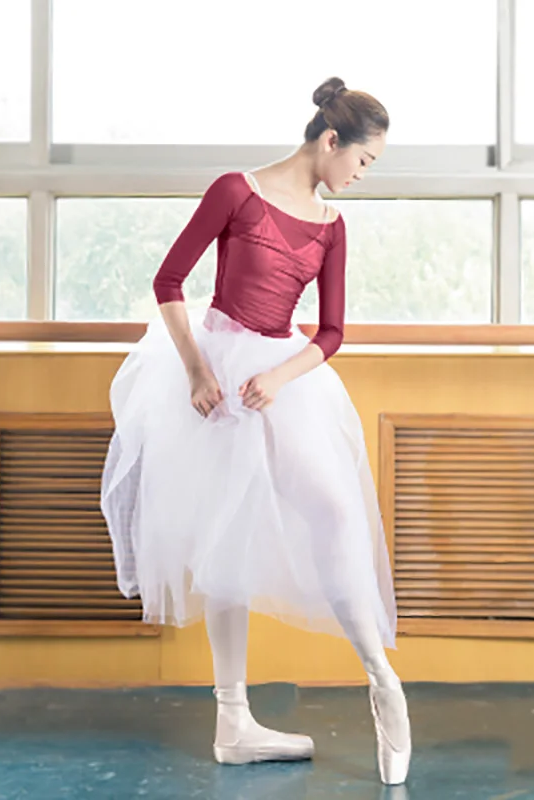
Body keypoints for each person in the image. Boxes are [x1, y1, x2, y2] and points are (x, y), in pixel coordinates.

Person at [100, 76, 411, 785]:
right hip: (214, 370)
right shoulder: (235, 191)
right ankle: (232, 720)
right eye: (364, 160)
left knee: (335, 511)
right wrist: (196, 371)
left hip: (280, 376)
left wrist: (280, 376)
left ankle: (381, 681)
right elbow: (169, 282)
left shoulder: (331, 226)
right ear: (331, 141)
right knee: (226, 537)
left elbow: (331, 332)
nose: (362, 175)